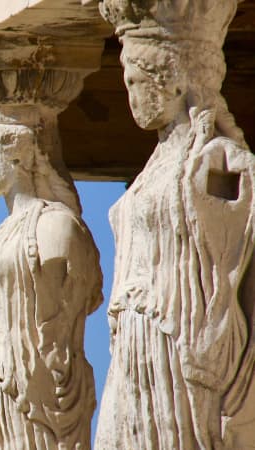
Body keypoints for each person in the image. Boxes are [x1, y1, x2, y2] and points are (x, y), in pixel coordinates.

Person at [96, 1, 255, 447]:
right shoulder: (156, 165)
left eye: (135, 81)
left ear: (172, 79)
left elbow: (241, 253)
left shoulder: (216, 159)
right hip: (135, 337)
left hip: (180, 337)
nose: (130, 95)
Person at [0, 109, 102, 449]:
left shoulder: (54, 225)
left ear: (15, 155)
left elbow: (81, 301)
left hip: (29, 384)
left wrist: (48, 358)